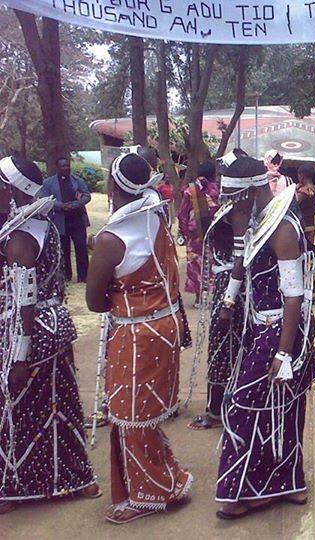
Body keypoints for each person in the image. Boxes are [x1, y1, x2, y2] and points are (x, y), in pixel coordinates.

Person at [86, 153, 193, 524]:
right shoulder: (157, 218)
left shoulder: (112, 238)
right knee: (142, 414)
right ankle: (166, 479)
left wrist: (120, 296)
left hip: (136, 334)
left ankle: (152, 492)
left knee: (130, 414)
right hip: (164, 327)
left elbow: (93, 301)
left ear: (113, 187)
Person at [214, 154, 315, 519]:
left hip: (280, 331)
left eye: (231, 198)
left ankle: (250, 489)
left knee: (245, 405)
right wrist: (229, 299)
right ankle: (290, 484)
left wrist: (284, 353)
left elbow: (294, 295)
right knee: (278, 408)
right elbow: (243, 259)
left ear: (248, 192)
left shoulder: (283, 228)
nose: (227, 205)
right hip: (262, 325)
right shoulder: (256, 220)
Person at [0, 155, 100, 515]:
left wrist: (19, 355)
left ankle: (16, 486)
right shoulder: (40, 224)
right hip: (52, 328)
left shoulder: (21, 238)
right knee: (57, 406)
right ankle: (74, 478)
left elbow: (25, 300)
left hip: (30, 334)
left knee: (19, 408)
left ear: (12, 190)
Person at [186, 194, 243, 431]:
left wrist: (228, 301)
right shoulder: (233, 208)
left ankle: (218, 410)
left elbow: (240, 255)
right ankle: (228, 405)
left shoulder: (239, 213)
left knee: (222, 347)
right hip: (228, 282)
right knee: (229, 346)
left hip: (230, 285)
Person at [39, 157, 91, 283]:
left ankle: (84, 277)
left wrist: (75, 204)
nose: (66, 168)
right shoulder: (48, 183)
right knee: (63, 250)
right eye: (63, 166)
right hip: (60, 221)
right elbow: (44, 198)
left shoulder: (77, 181)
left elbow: (87, 196)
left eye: (67, 166)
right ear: (58, 167)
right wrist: (60, 206)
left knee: (81, 249)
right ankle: (66, 276)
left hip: (77, 220)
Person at [178, 161, 220, 307]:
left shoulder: (190, 190)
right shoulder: (217, 189)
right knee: (212, 263)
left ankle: (198, 299)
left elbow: (182, 214)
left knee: (195, 266)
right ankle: (213, 298)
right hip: (213, 233)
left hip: (194, 235)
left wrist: (185, 233)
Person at [296, 163, 315, 245]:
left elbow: (294, 203)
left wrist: (295, 190)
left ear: (301, 175)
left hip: (303, 226)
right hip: (311, 225)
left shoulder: (304, 190)